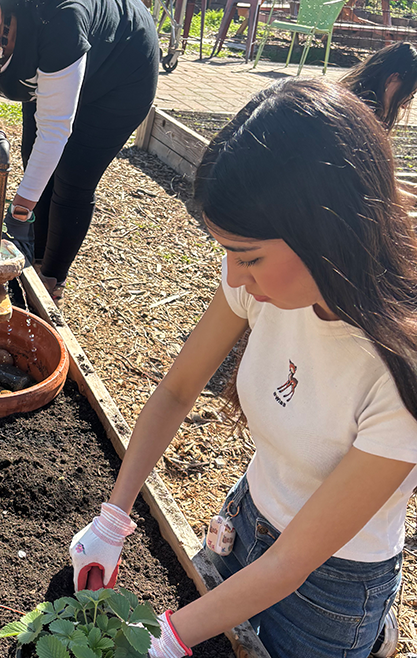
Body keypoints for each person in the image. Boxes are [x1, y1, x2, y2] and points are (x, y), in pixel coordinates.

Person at [70, 78, 417, 658]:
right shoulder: (267, 286)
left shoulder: (400, 372)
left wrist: (165, 640)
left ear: (325, 232)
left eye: (249, 256)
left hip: (330, 592)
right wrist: (114, 515)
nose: (233, 278)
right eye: (227, 253)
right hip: (243, 524)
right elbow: (179, 390)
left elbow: (291, 565)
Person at [0, 0, 159, 307]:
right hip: (54, 60)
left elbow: (54, 129)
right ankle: (31, 262)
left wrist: (19, 216)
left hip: (120, 70)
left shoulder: (58, 20)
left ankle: (49, 282)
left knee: (73, 176)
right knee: (34, 159)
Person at [340, 41, 417, 130]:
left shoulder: (347, 104)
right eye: (409, 94)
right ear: (392, 80)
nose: (405, 106)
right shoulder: (359, 124)